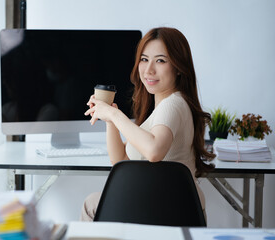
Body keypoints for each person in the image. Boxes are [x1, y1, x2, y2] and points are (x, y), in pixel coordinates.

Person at [81, 27, 216, 221]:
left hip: (170, 210)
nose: (149, 69)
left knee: (91, 204)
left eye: (160, 60)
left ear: (178, 67)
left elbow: (154, 151)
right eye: (144, 59)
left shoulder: (173, 104)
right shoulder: (161, 109)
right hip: (162, 205)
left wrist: (114, 113)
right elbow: (120, 161)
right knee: (94, 201)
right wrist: (111, 121)